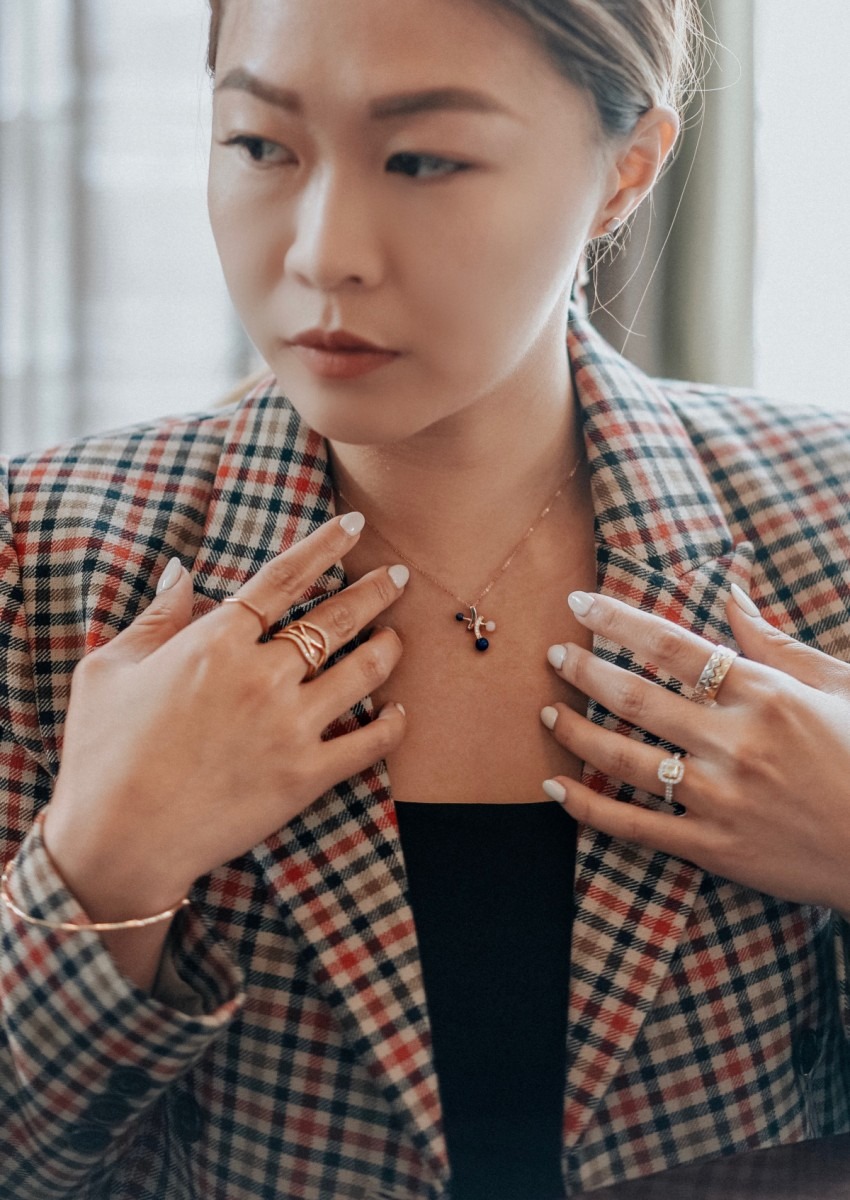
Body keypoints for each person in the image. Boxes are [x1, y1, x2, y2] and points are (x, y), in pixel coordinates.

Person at [1, 1, 849, 1197]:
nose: (322, 253)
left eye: (422, 160)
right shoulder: (39, 556)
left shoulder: (827, 529)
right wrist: (106, 862)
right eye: (260, 144)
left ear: (624, 174)